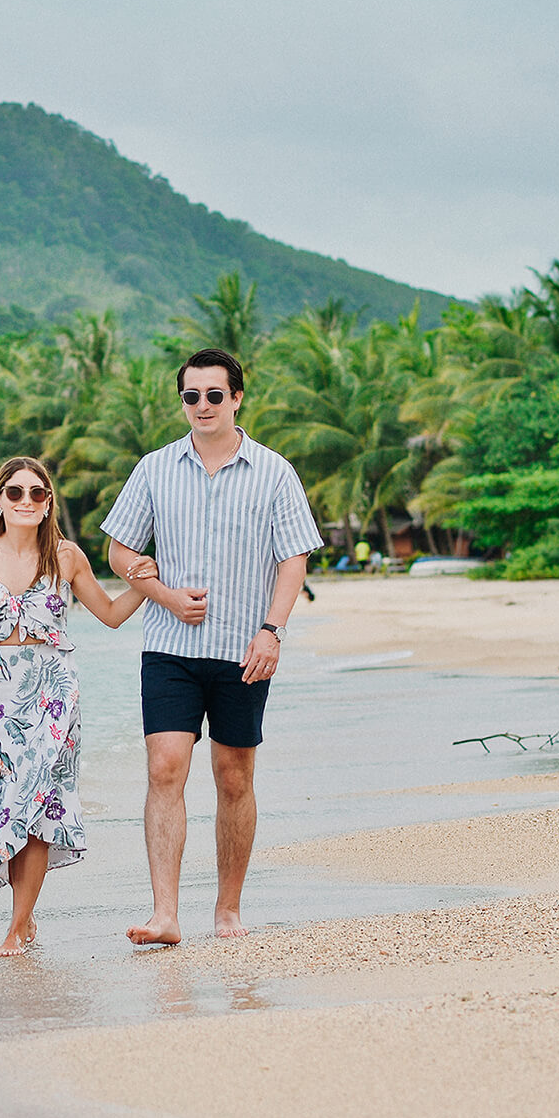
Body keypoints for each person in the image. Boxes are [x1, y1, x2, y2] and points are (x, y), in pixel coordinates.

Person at [100, 349, 323, 946]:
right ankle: (165, 915)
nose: (201, 406)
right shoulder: (153, 469)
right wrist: (165, 595)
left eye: (213, 396)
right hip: (169, 647)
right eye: (190, 396)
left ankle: (227, 911)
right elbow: (119, 551)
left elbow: (293, 560)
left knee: (233, 777)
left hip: (244, 648)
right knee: (164, 767)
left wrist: (272, 631)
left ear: (237, 398)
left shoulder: (275, 472)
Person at [0, 456, 156, 958]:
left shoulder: (66, 557)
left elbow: (108, 614)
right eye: (15, 492)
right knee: (0, 807)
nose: (26, 501)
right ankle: (25, 916)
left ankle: (17, 927)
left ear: (48, 504)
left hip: (53, 696)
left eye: (37, 494)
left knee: (40, 806)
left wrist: (147, 584)